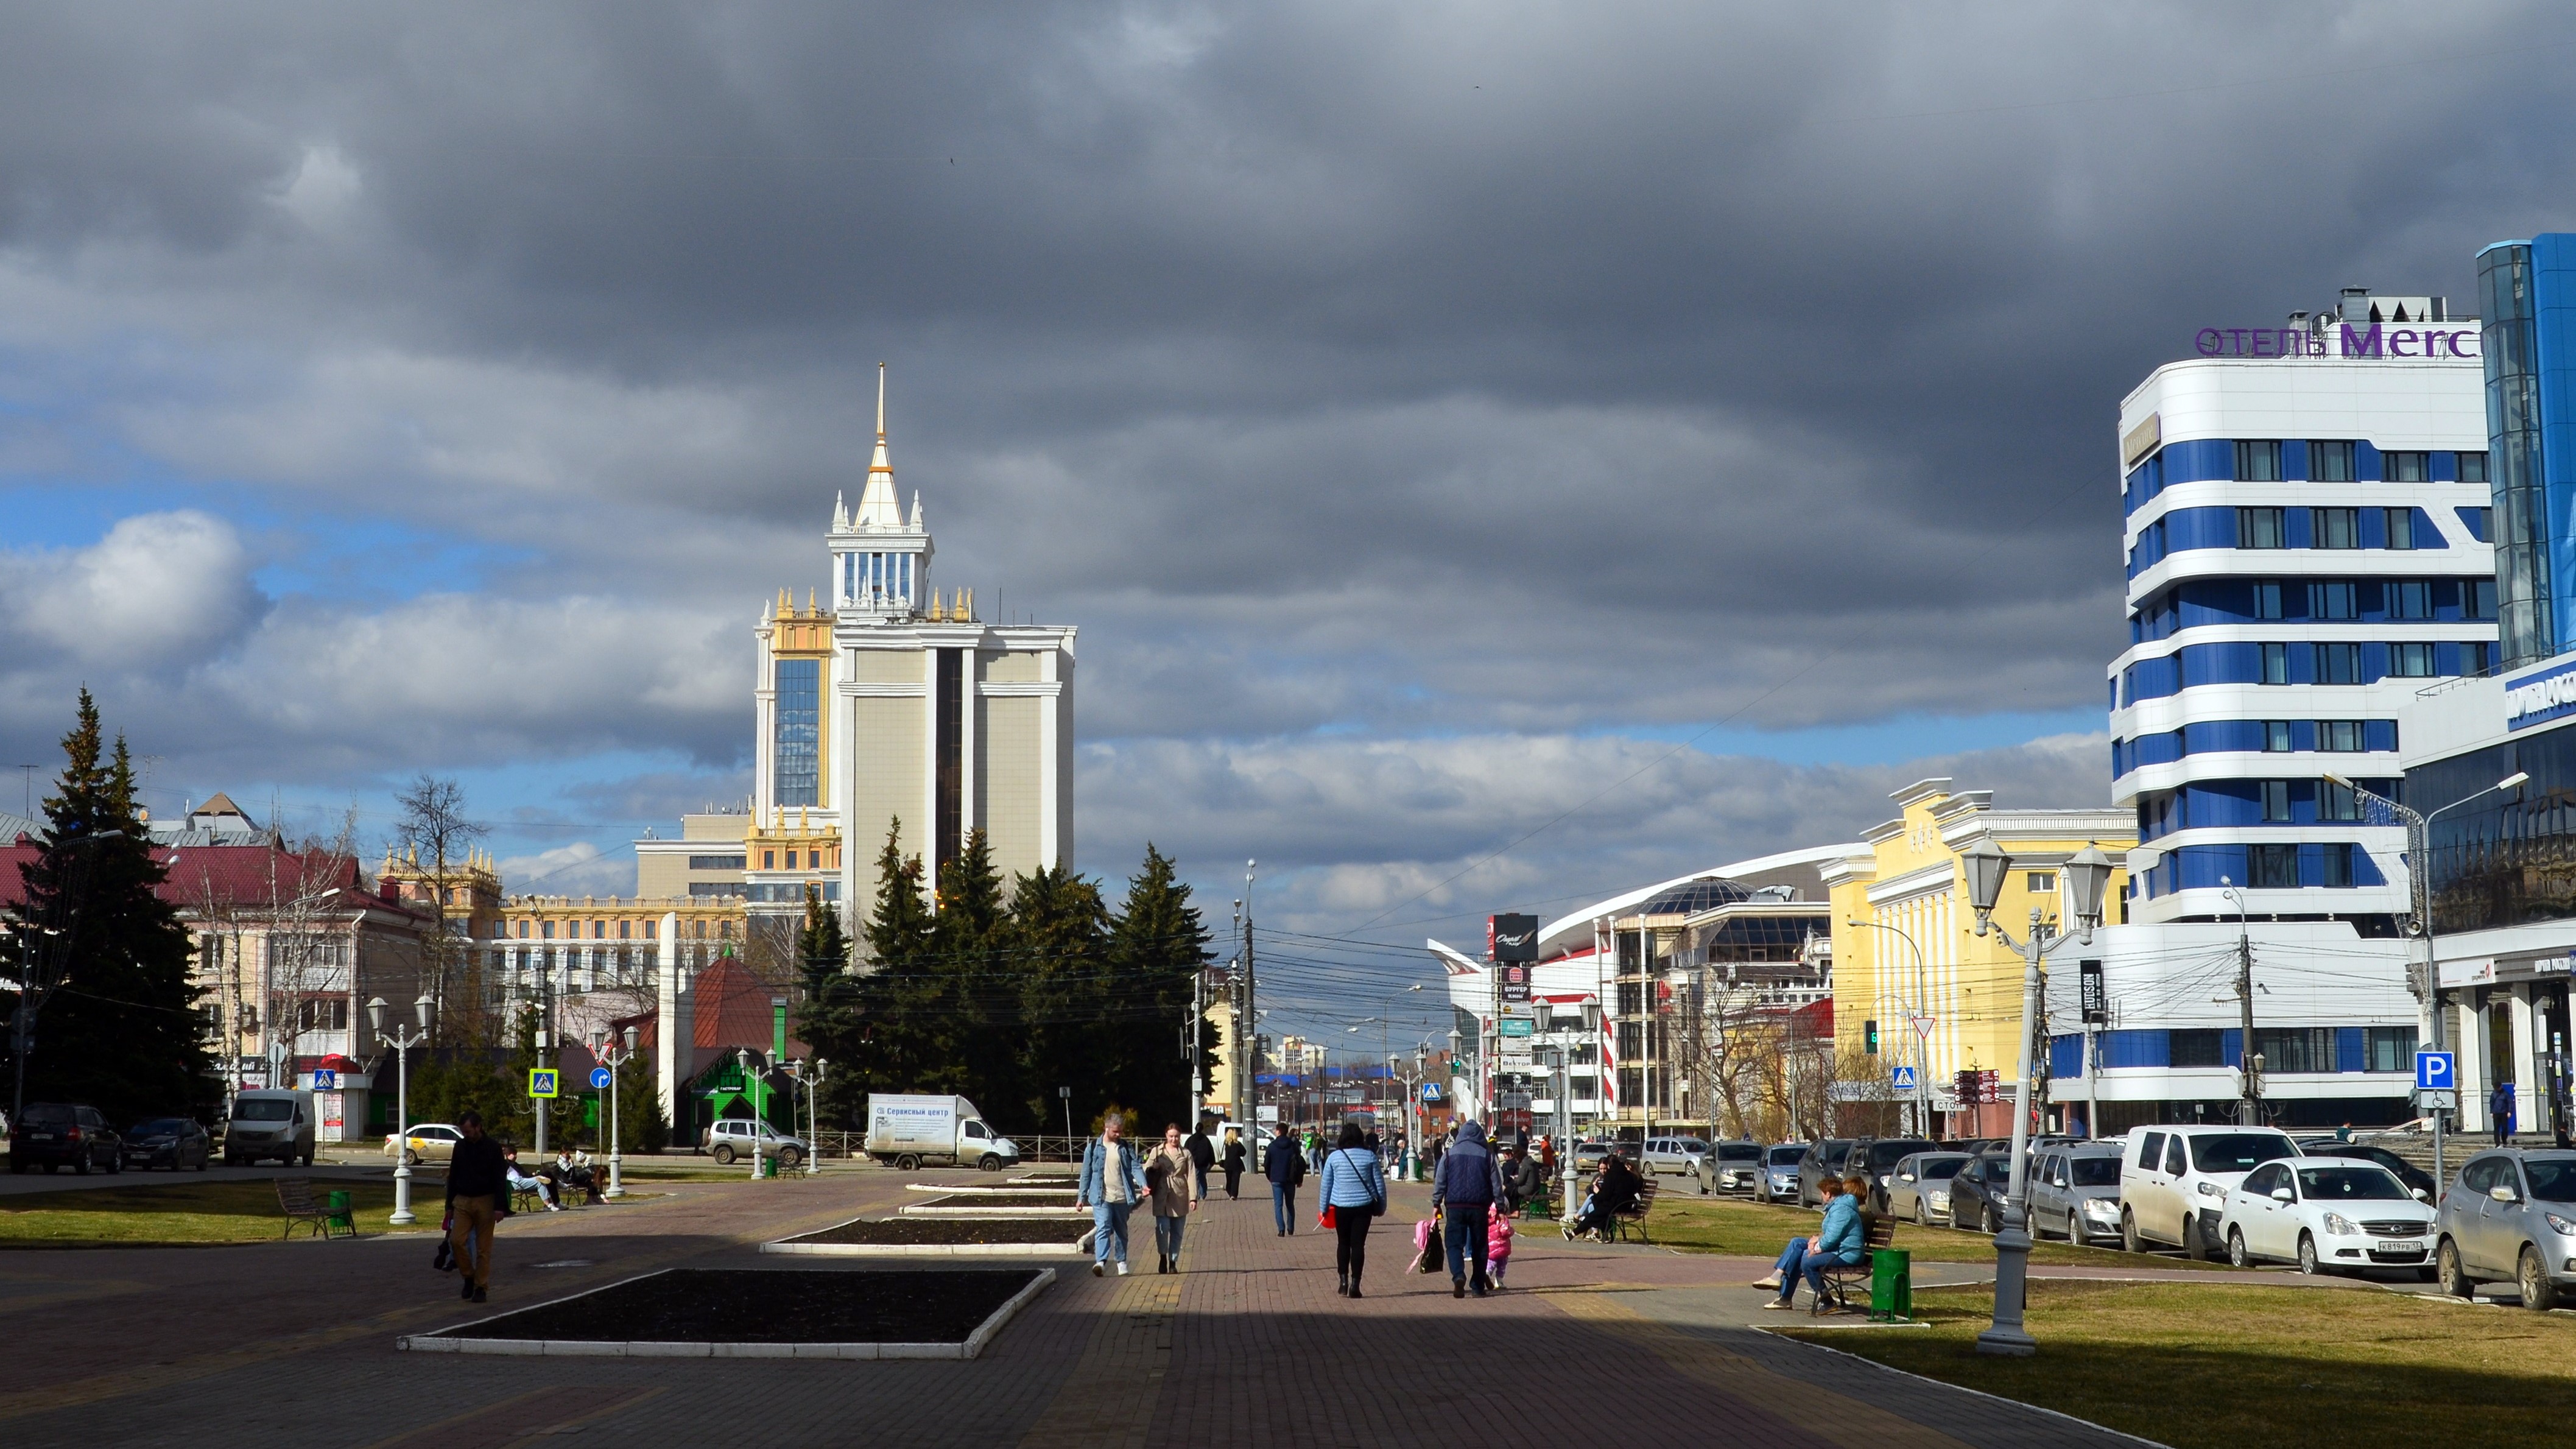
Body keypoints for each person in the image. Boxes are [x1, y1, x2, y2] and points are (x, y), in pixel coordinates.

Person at [1756, 1176, 1867, 1311]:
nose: (1821, 1195)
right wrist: (1817, 1239)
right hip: (1838, 1248)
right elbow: (1834, 1232)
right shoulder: (1839, 1206)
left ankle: (1826, 1301)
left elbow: (1832, 1238)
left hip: (1847, 1253)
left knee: (1806, 1260)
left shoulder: (1842, 1209)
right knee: (1797, 1243)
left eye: (1822, 1192)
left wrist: (1817, 1247)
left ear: (1828, 1194)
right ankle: (1777, 1277)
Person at [1431, 1119, 1508, 1298]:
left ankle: (1458, 1275)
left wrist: (1436, 1203)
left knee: (1453, 1243)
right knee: (1480, 1246)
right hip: (1479, 1206)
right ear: (1480, 1136)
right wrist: (1501, 1208)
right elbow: (1496, 1184)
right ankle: (1477, 1286)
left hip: (1455, 1206)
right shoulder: (1487, 1155)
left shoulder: (1449, 1154)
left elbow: (1440, 1181)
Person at [444, 1111, 506, 1303]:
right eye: (463, 1132)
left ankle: (481, 1287)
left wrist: (499, 1207)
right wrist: (449, 1205)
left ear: (478, 1127)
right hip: (462, 1200)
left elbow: (499, 1178)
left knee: (483, 1249)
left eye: (469, 1131)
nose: (466, 1135)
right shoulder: (460, 1146)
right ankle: (468, 1276)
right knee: (456, 1240)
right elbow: (453, 1175)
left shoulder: (493, 1148)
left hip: (486, 1200)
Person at [1320, 1120, 1387, 1297]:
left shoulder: (1335, 1157)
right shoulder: (1370, 1156)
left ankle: (1343, 1282)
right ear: (1360, 1138)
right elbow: (1379, 1185)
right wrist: (1381, 1206)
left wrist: (1323, 1208)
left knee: (1343, 1243)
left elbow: (1326, 1185)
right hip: (1364, 1207)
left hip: (1340, 1206)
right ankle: (1356, 1285)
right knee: (1358, 1245)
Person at [1079, 1113, 1150, 1277]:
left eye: (1121, 1132)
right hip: (1101, 1196)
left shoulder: (1125, 1147)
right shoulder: (1093, 1148)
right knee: (1103, 1226)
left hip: (1122, 1197)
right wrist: (1081, 1198)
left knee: (1121, 1230)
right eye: (1115, 1132)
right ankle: (1101, 1262)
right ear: (1106, 1128)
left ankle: (1121, 1262)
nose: (1119, 1135)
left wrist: (1144, 1185)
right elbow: (1086, 1173)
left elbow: (1135, 1167)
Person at [1145, 1123, 1197, 1274]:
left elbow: (1192, 1176)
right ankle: (1163, 1256)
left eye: (1177, 1136)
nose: (1174, 1139)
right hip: (1162, 1194)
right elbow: (1146, 1168)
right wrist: (1154, 1168)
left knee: (1178, 1231)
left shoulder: (1186, 1154)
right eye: (1171, 1136)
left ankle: (1173, 1261)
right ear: (1166, 1136)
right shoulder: (1157, 1151)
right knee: (1162, 1228)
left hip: (1179, 1194)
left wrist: (1193, 1198)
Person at [1568, 1152, 1641, 1241]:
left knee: (1594, 1213)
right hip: (1628, 1204)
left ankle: (1573, 1233)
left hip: (1617, 1205)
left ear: (1609, 1165)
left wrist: (1597, 1191)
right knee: (1597, 1206)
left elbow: (1605, 1195)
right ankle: (1605, 1236)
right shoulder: (1629, 1174)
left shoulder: (1611, 1175)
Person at [1264, 1118, 1307, 1236]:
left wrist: (1270, 1176)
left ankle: (1281, 1229)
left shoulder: (1272, 1146)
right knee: (1290, 1204)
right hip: (1291, 1179)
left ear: (1278, 1132)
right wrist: (1299, 1179)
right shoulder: (1293, 1146)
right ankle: (1291, 1228)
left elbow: (1266, 1164)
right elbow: (1299, 1163)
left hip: (1276, 1179)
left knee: (1278, 1205)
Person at [502, 1145, 561, 1211]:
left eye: (516, 1154)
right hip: (516, 1182)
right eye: (514, 1155)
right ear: (508, 1155)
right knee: (540, 1181)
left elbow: (524, 1173)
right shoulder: (506, 1163)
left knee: (542, 1179)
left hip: (523, 1180)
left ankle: (549, 1205)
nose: (516, 1156)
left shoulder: (515, 1164)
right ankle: (549, 1204)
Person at [1184, 1121, 1216, 1201]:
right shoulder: (1206, 1139)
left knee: (1196, 1178)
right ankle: (1203, 1193)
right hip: (1204, 1163)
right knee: (1202, 1177)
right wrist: (1212, 1162)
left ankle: (1197, 1194)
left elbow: (1185, 1150)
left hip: (1194, 1163)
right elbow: (1210, 1151)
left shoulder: (1190, 1140)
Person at [1486, 1210, 1515, 1288]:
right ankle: (1499, 1281)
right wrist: (1512, 1231)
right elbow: (1505, 1232)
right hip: (1502, 1246)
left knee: (1491, 1262)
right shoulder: (1503, 1218)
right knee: (1502, 1265)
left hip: (1490, 1245)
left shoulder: (1487, 1216)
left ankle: (1487, 1273)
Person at [1220, 1127, 1247, 1200]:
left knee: (1229, 1180)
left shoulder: (1226, 1144)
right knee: (1235, 1180)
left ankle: (1230, 1192)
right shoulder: (1238, 1144)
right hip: (1236, 1165)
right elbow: (1244, 1152)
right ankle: (1234, 1195)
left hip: (1227, 1165)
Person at [2494, 1081, 2517, 1146]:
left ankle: (2504, 1141)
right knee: (2496, 1129)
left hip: (2504, 1113)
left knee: (2505, 1128)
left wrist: (2510, 1111)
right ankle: (2497, 1143)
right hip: (2496, 1113)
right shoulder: (2494, 1094)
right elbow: (2492, 1103)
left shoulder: (2505, 1094)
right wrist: (2491, 1112)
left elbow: (2510, 1103)